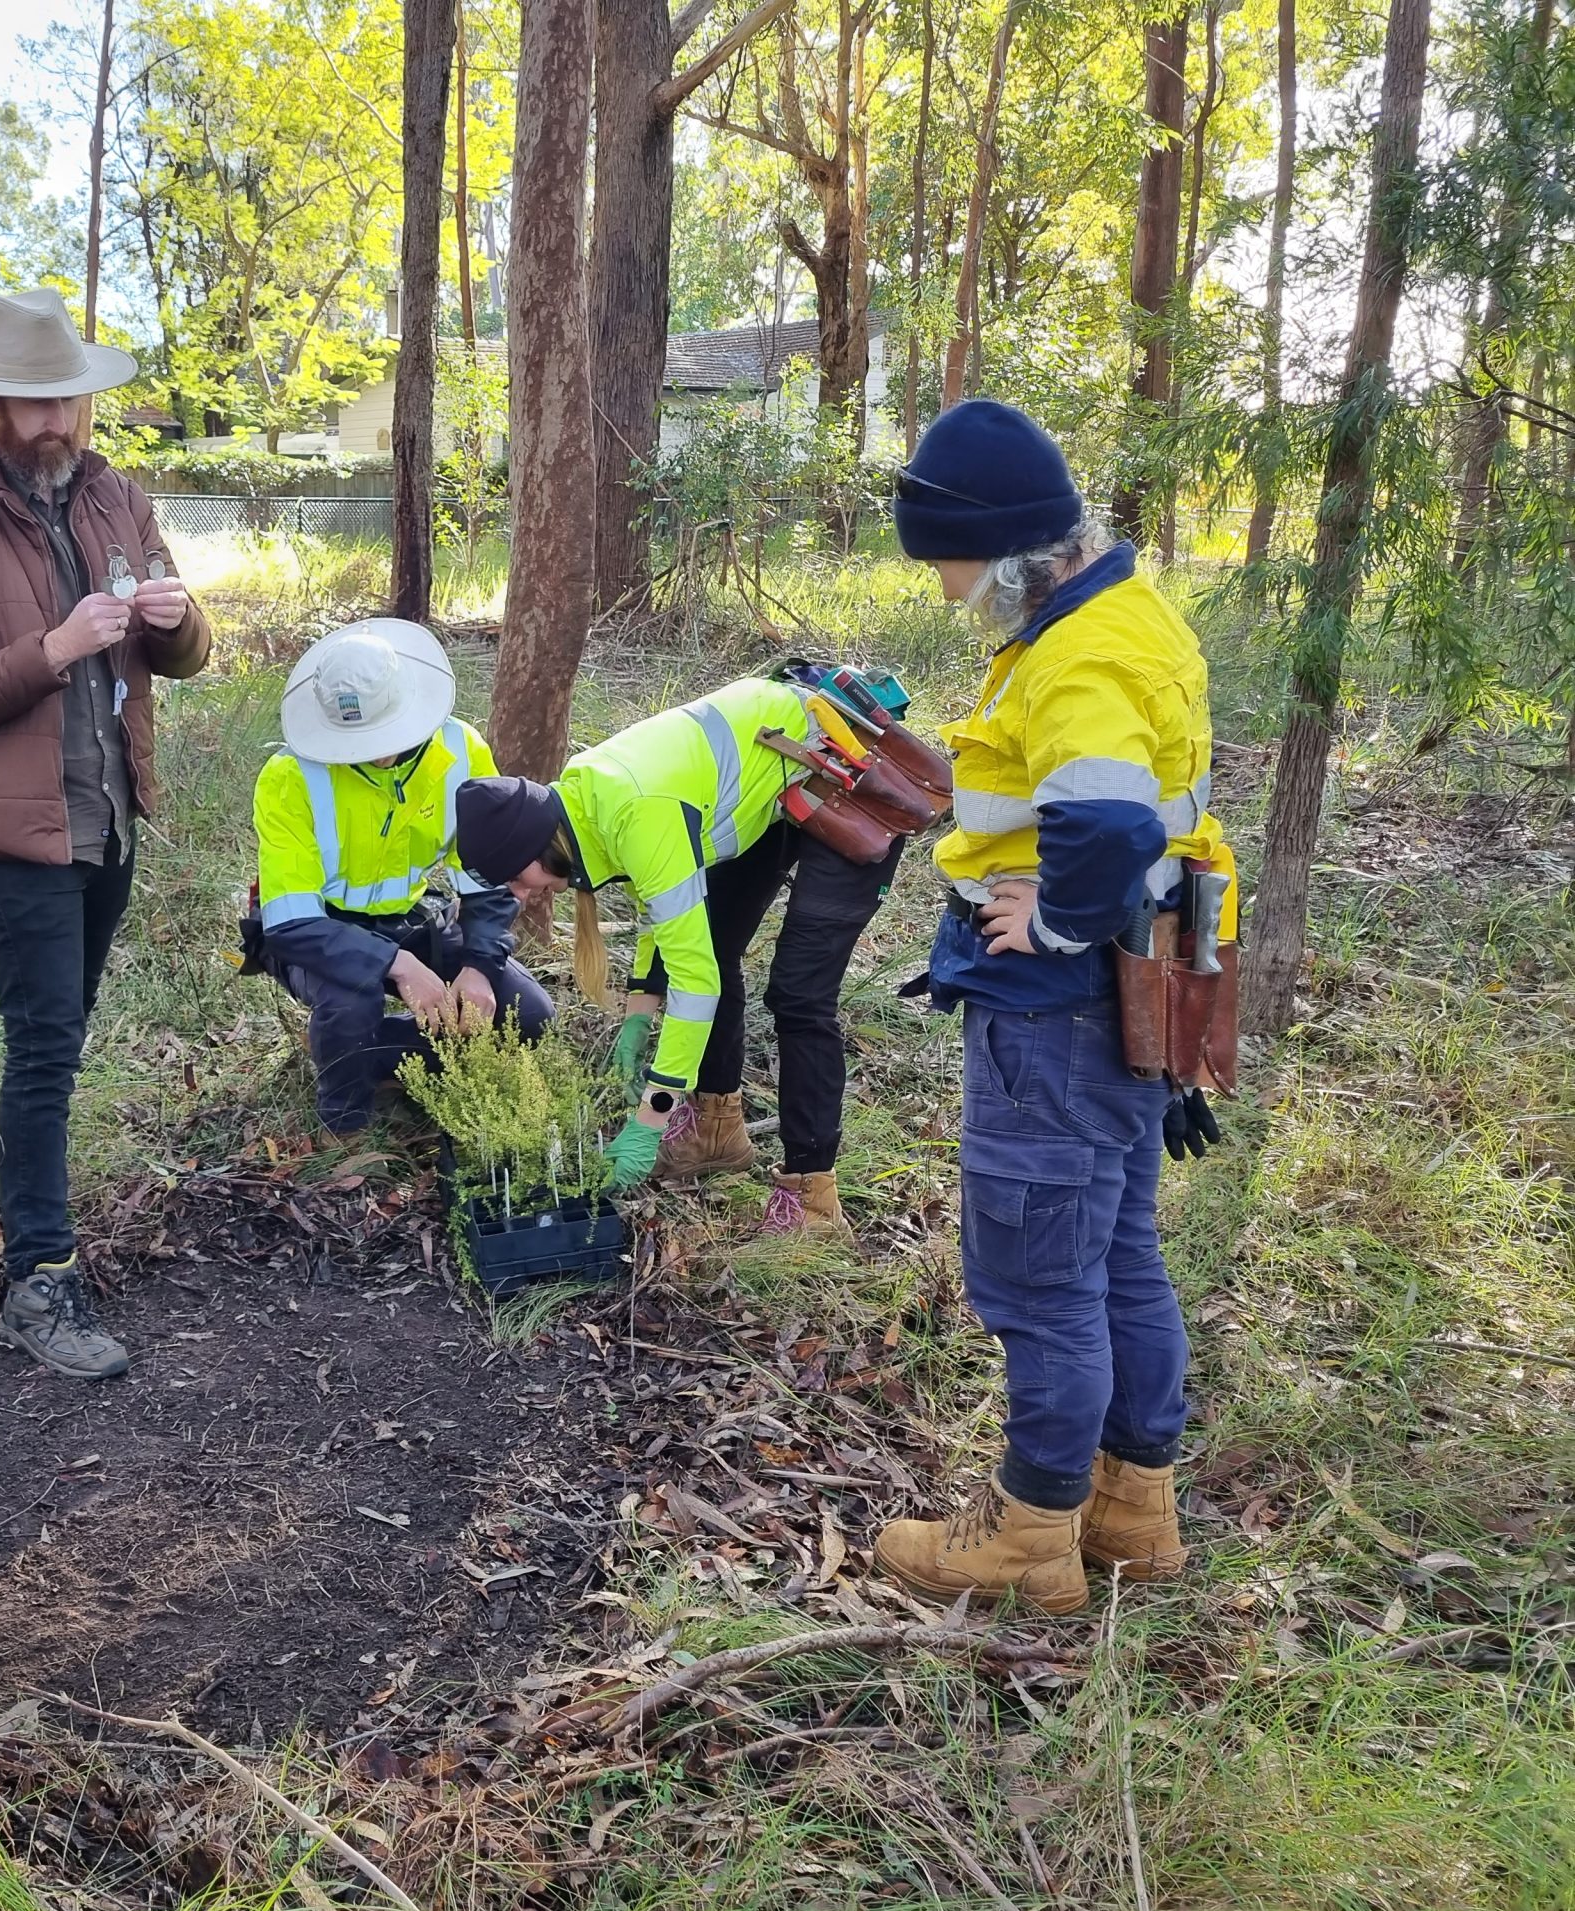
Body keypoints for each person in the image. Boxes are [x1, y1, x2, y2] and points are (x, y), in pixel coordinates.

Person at [867, 398, 1237, 1613]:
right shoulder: (1120, 612)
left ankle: (1030, 1541)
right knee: (1119, 1253)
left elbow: (1111, 819)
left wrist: (1061, 917)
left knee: (1040, 1280)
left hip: (1058, 1006)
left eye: (951, 565)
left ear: (1013, 544)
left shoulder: (1078, 652)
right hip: (1128, 997)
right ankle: (1134, 1511)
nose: (945, 591)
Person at [0, 288, 212, 1382]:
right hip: (9, 830)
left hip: (106, 815)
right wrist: (58, 642)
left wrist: (177, 623)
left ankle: (40, 1228)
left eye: (63, 400)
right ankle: (40, 1277)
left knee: (62, 1037)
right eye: (27, 404)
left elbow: (182, 653)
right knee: (42, 1047)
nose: (50, 424)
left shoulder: (116, 498)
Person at [453, 678, 901, 1225]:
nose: (520, 897)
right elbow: (663, 913)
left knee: (799, 996)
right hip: (774, 786)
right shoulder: (584, 804)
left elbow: (694, 980)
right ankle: (717, 1131)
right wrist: (639, 1015)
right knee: (714, 944)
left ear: (536, 847)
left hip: (847, 777)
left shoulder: (636, 812)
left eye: (514, 880)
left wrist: (651, 1116)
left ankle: (812, 1199)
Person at [251, 619, 553, 1135]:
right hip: (319, 933)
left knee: (529, 1013)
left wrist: (479, 965)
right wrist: (397, 964)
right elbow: (290, 922)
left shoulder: (460, 750)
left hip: (409, 918)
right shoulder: (288, 778)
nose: (374, 750)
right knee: (352, 1001)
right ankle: (344, 1124)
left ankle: (375, 1058)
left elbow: (487, 876)